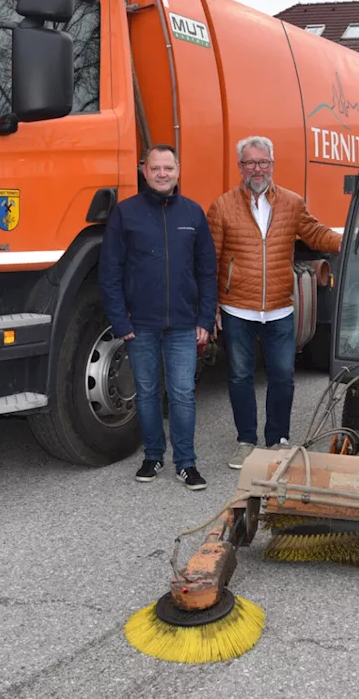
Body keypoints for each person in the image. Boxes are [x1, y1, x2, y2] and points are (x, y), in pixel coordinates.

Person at [207, 136, 342, 470]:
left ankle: (278, 438)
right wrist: (209, 306)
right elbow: (210, 259)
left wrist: (352, 241)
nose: (258, 169)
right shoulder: (222, 206)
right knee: (240, 376)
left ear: (272, 165)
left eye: (263, 162)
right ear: (240, 167)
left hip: (280, 306)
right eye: (251, 163)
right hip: (237, 307)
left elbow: (316, 234)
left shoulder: (292, 203)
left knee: (282, 375)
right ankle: (246, 441)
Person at [99, 144, 217, 490]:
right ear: (144, 170)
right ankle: (153, 456)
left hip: (183, 325)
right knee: (148, 394)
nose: (162, 174)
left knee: (182, 394)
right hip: (141, 327)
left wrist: (205, 319)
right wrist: (121, 322)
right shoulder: (126, 213)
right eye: (155, 168)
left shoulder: (193, 214)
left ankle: (186, 463)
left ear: (178, 169)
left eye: (168, 167)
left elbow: (207, 271)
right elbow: (110, 273)